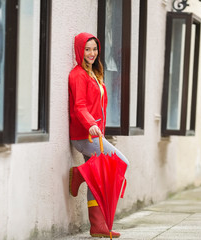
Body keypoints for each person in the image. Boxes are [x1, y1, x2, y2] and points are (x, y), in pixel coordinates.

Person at [68, 32, 129, 238]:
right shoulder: (77, 75)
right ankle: (80, 173)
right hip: (84, 136)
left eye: (94, 49)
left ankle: (97, 226)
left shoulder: (93, 73)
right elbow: (80, 106)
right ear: (79, 50)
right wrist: (91, 124)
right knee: (121, 162)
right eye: (87, 49)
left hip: (94, 135)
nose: (92, 53)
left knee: (98, 178)